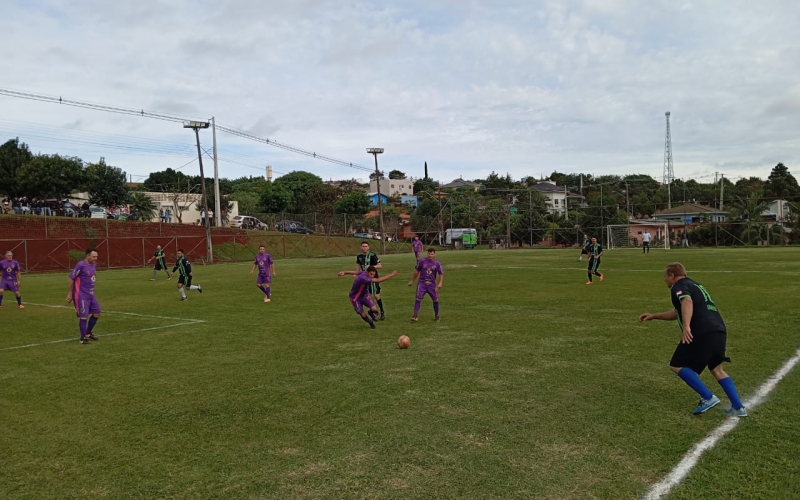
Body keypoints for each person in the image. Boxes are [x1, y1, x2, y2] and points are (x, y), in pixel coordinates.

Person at [638, 262, 746, 417]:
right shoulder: (695, 285)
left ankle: (708, 397)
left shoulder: (678, 286)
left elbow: (686, 302)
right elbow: (679, 311)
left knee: (676, 365)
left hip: (702, 331)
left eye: (665, 276)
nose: (664, 280)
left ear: (672, 275)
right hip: (718, 330)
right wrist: (654, 316)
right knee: (717, 369)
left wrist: (687, 327)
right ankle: (738, 407)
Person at [66, 248, 101, 344]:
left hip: (91, 294)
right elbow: (71, 278)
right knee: (84, 316)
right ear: (88, 256)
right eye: (94, 256)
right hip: (81, 295)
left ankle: (88, 333)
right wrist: (70, 294)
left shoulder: (93, 264)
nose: (95, 258)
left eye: (96, 256)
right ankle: (82, 338)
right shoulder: (80, 265)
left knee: (97, 313)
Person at [408, 248, 444, 322]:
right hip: (422, 283)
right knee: (418, 298)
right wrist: (412, 281)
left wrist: (440, 283)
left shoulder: (437, 263)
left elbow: (441, 273)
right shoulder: (422, 261)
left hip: (432, 284)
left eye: (432, 254)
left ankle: (436, 315)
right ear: (427, 254)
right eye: (429, 254)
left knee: (435, 299)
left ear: (434, 254)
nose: (430, 255)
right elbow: (417, 271)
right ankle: (415, 315)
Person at [356, 241, 386, 320]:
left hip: (373, 278)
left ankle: (382, 311)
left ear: (368, 247)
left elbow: (380, 266)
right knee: (365, 296)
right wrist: (356, 274)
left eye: (366, 246)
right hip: (363, 278)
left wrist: (371, 266)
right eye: (363, 246)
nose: (364, 248)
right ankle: (373, 312)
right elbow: (359, 265)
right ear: (361, 247)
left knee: (376, 296)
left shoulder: (372, 255)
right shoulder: (359, 255)